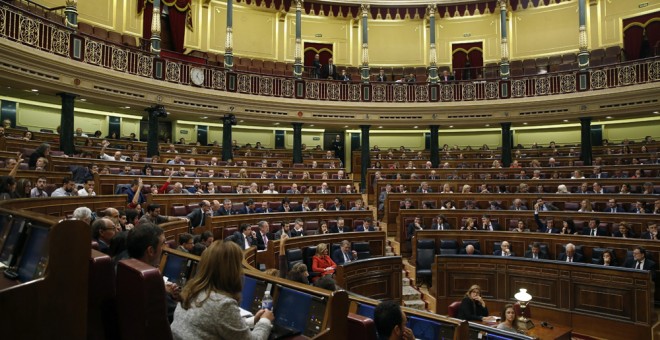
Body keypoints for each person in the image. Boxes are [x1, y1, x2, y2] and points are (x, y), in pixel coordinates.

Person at [170, 241, 274, 340]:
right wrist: (265, 321)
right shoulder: (222, 304)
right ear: (232, 270)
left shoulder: (190, 291)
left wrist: (252, 320)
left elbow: (216, 324)